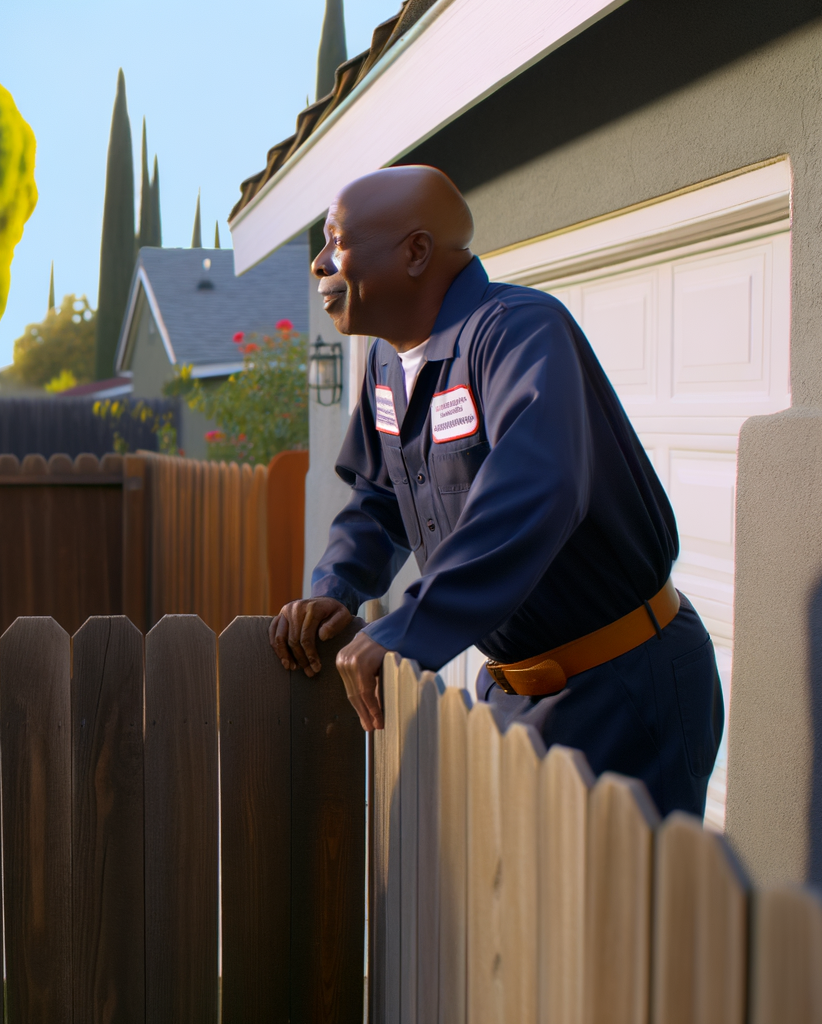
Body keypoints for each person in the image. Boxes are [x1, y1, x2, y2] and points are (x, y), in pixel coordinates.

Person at [268, 166, 723, 818]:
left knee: (621, 915)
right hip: (514, 695)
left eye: (337, 241)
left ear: (417, 251)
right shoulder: (387, 367)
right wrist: (333, 591)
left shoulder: (519, 331)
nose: (318, 264)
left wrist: (410, 628)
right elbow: (379, 499)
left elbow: (536, 491)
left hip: (621, 681)